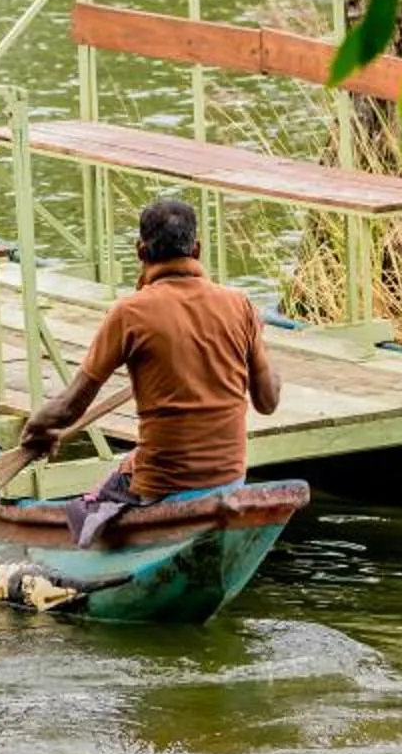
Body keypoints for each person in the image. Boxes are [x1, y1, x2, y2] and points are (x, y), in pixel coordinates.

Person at [18, 197, 281, 544]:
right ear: (197, 249)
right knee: (131, 463)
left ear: (140, 251)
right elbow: (268, 402)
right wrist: (259, 346)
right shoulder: (240, 305)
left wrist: (37, 427)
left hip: (163, 483)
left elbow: (69, 408)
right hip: (229, 476)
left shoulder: (130, 313)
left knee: (87, 506)